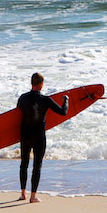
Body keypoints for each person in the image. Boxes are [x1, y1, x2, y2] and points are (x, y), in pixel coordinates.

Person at [17, 72, 68, 203]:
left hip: (25, 135)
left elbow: (16, 116)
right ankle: (33, 197)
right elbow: (63, 112)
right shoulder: (46, 100)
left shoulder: (22, 98)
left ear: (31, 83)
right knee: (37, 166)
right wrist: (66, 100)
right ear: (41, 84)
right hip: (39, 136)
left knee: (24, 164)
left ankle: (23, 194)